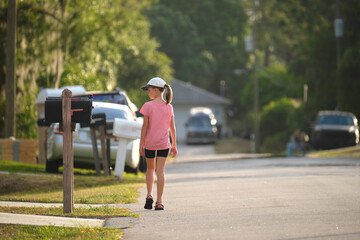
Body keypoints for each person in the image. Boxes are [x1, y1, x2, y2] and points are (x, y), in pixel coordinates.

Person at [139, 77, 178, 210]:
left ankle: (149, 195)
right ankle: (159, 202)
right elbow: (172, 128)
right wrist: (174, 145)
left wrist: (141, 144)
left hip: (150, 143)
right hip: (164, 144)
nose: (147, 92)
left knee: (150, 169)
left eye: (149, 89)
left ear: (156, 90)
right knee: (160, 171)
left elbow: (144, 127)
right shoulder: (169, 107)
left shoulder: (147, 106)